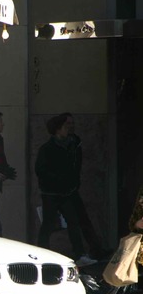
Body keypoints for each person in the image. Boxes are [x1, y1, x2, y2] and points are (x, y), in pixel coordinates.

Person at [35, 114, 97, 267]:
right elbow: (41, 170)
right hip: (51, 193)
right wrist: (57, 179)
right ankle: (40, 253)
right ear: (58, 130)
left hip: (66, 191)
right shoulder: (47, 148)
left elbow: (74, 167)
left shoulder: (71, 145)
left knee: (73, 222)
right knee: (48, 224)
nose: (68, 129)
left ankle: (80, 254)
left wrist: (72, 182)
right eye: (65, 127)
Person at [62, 112, 109, 259]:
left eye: (72, 123)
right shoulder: (59, 143)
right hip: (61, 190)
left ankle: (94, 249)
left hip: (72, 188)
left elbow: (77, 164)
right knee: (59, 223)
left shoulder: (75, 141)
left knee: (82, 219)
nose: (71, 126)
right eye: (68, 124)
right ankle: (80, 252)